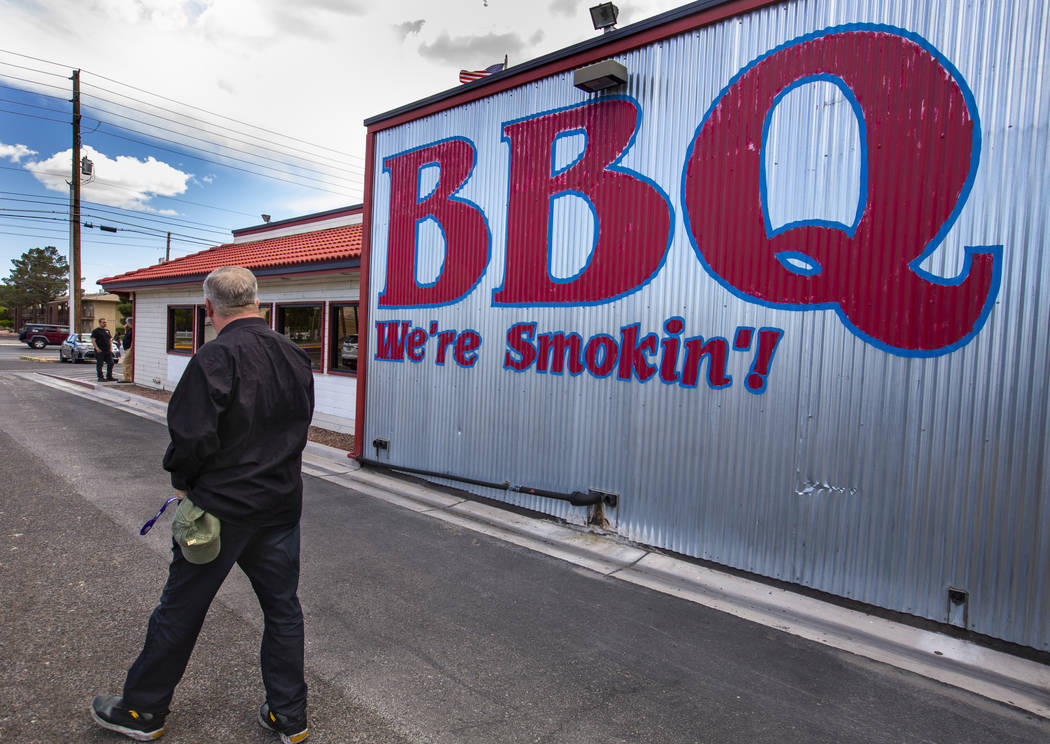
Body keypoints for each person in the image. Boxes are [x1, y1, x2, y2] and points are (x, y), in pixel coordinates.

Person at [91, 267, 315, 743]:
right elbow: (297, 426)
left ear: (209, 309)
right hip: (279, 507)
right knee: (282, 610)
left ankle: (142, 712)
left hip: (221, 510)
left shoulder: (214, 357)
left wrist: (185, 481)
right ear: (258, 301)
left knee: (181, 608)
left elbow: (191, 437)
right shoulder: (296, 356)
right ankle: (289, 717)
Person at [91, 317, 116, 382]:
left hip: (107, 350)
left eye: (105, 322)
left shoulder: (107, 331)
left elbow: (110, 340)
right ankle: (100, 377)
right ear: (100, 323)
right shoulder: (96, 331)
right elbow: (93, 340)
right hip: (100, 350)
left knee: (111, 363)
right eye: (103, 322)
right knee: (100, 364)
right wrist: (97, 348)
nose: (105, 323)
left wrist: (111, 348)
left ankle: (109, 376)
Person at [121, 317, 134, 383]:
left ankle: (127, 378)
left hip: (130, 349)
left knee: (125, 363)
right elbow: (126, 336)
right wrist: (125, 328)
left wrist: (131, 348)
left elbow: (132, 339)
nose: (126, 324)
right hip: (127, 349)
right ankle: (129, 377)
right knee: (128, 363)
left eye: (127, 323)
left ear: (129, 323)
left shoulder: (133, 330)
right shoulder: (130, 330)